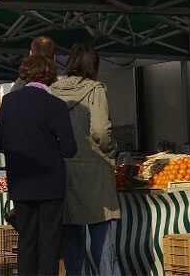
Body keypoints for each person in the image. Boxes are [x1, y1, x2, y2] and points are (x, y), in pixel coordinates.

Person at [0, 54, 77, 275]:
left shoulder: (9, 101)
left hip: (21, 180)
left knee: (26, 239)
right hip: (50, 182)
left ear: (24, 74)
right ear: (50, 75)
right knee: (50, 241)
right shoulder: (56, 104)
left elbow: (0, 140)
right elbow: (69, 149)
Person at [50, 43, 120, 275]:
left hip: (62, 172)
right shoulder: (95, 90)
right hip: (94, 171)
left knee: (71, 241)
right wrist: (111, 151)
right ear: (94, 65)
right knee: (102, 238)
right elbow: (101, 131)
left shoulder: (53, 90)